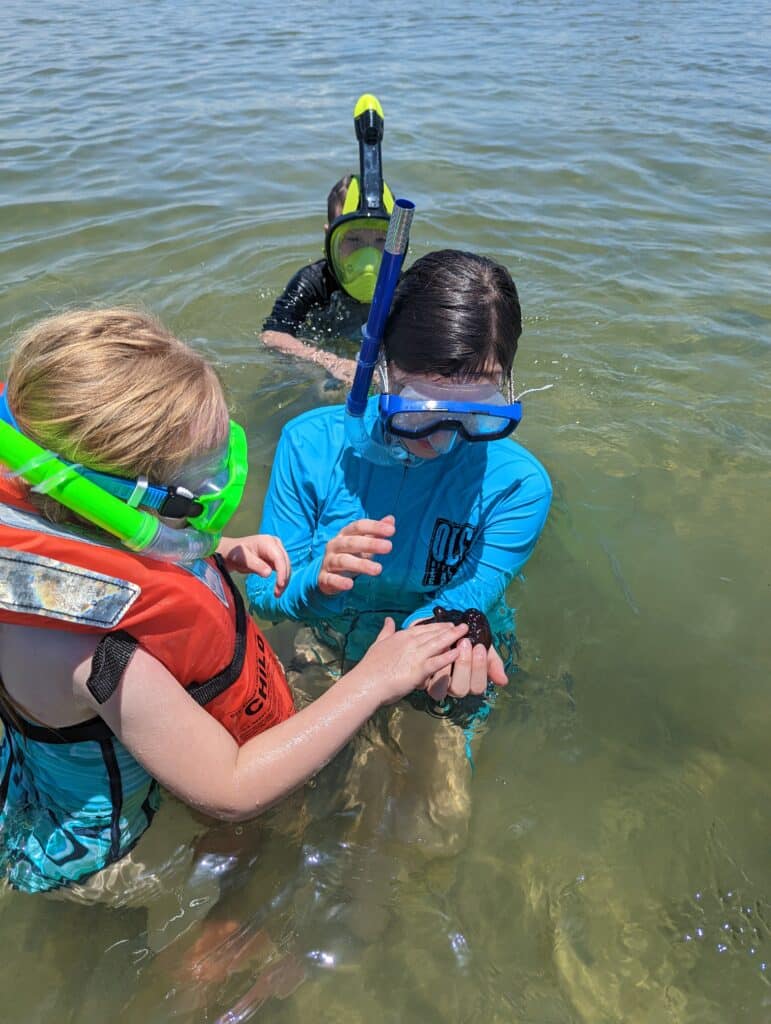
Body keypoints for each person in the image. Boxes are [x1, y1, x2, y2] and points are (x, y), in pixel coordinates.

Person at [0, 309, 468, 897]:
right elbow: (231, 788)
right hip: (102, 853)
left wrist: (222, 546)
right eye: (194, 490)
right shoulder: (89, 651)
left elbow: (123, 547)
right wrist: (372, 681)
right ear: (115, 501)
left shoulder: (60, 529)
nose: (207, 501)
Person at [246, 250, 552, 861]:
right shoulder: (310, 445)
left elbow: (461, 602)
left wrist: (415, 663)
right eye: (421, 410)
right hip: (325, 642)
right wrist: (314, 578)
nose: (446, 439)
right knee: (282, 813)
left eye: (480, 412)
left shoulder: (519, 485)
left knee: (431, 835)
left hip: (447, 653)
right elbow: (262, 596)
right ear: (380, 369)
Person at [262, 94, 394, 385]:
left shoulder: (401, 285)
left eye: (381, 241)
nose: (368, 255)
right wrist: (328, 362)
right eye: (354, 240)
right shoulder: (314, 281)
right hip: (327, 354)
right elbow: (272, 336)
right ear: (329, 238)